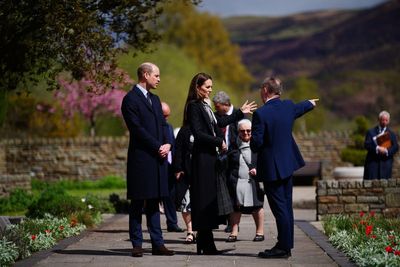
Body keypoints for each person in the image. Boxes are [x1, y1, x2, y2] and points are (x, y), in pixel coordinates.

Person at [184, 72, 257, 255]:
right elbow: (199, 133)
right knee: (203, 199)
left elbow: (219, 122)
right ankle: (205, 244)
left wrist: (240, 112)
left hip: (210, 158)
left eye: (211, 86)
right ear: (198, 87)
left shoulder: (205, 106)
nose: (210, 89)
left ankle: (206, 243)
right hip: (202, 159)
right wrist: (219, 142)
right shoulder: (194, 107)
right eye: (207, 86)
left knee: (209, 200)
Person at [250, 77, 318, 259]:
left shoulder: (261, 114)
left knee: (280, 208)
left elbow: (256, 144)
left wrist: (250, 137)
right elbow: (299, 109)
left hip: (272, 170)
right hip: (288, 166)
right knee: (286, 207)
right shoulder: (288, 106)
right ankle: (285, 245)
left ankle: (283, 247)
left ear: (265, 89)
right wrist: (310, 103)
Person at [121, 62, 174, 257]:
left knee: (154, 201)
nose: (159, 79)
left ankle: (157, 244)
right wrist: (157, 146)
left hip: (158, 158)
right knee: (138, 202)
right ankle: (137, 244)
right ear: (145, 74)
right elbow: (136, 130)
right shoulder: (130, 100)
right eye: (156, 75)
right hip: (141, 159)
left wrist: (168, 143)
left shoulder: (155, 98)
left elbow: (163, 124)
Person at [225, 119, 265, 243]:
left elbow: (265, 161)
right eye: (242, 131)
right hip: (236, 181)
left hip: (253, 181)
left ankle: (260, 232)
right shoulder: (233, 145)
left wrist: (258, 170)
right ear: (238, 132)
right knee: (236, 207)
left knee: (257, 207)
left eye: (249, 130)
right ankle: (234, 232)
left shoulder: (258, 144)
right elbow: (228, 163)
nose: (246, 133)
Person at [212, 91, 239, 233]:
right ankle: (229, 221)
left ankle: (234, 223)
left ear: (225, 104)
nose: (215, 109)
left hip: (234, 158)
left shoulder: (239, 115)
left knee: (233, 190)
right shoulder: (216, 117)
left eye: (217, 106)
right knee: (224, 190)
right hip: (220, 159)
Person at [161, 102, 184, 232]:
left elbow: (174, 147)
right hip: (159, 165)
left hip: (169, 167)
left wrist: (177, 167)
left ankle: (172, 222)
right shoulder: (153, 127)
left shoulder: (169, 127)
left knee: (170, 195)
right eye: (164, 115)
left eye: (168, 116)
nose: (166, 118)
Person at [173, 122, 196, 244]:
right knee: (186, 203)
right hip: (186, 173)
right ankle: (190, 231)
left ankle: (202, 231)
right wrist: (177, 168)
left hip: (203, 173)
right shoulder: (184, 130)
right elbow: (178, 149)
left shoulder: (208, 126)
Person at [363, 110, 399, 180]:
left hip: (386, 165)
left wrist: (386, 151)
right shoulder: (371, 132)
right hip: (372, 165)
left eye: (386, 120)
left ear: (388, 121)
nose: (384, 122)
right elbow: (367, 145)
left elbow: (395, 147)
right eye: (383, 120)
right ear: (379, 120)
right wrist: (377, 148)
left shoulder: (392, 134)